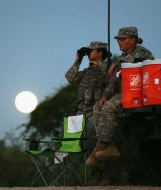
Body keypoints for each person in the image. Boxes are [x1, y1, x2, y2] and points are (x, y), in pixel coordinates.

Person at [86, 27, 155, 169]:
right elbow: (113, 82)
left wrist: (117, 64)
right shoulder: (122, 57)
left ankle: (99, 147)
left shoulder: (141, 52)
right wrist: (105, 95)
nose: (119, 42)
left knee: (109, 107)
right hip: (123, 92)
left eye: (123, 39)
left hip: (138, 92)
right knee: (98, 107)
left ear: (133, 39)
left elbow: (133, 67)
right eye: (118, 39)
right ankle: (109, 145)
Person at [65, 41, 111, 185]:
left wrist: (99, 68)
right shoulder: (85, 72)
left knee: (94, 143)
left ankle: (101, 175)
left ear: (100, 53)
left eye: (92, 51)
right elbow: (69, 78)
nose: (89, 53)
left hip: (94, 112)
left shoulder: (108, 68)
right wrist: (78, 61)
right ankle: (89, 175)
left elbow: (111, 81)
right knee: (75, 144)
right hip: (79, 112)